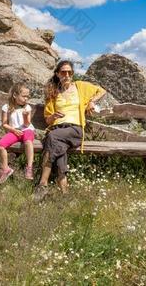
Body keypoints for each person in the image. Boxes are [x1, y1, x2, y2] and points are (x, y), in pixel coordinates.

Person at [34, 60, 106, 201]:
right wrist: (53, 116)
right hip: (57, 129)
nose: (67, 75)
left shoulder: (80, 86)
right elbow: (48, 120)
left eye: (69, 72)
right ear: (57, 74)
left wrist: (92, 101)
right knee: (59, 148)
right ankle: (65, 193)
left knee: (52, 138)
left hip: (75, 130)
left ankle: (42, 183)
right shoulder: (53, 92)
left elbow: (102, 91)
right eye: (63, 72)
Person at [0, 82, 35, 184]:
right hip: (15, 131)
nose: (26, 99)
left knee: (28, 141)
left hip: (27, 130)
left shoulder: (27, 107)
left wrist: (25, 116)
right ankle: (5, 169)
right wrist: (13, 130)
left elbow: (27, 124)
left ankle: (29, 167)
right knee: (0, 145)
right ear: (15, 95)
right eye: (24, 96)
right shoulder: (6, 107)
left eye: (28, 96)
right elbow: (4, 124)